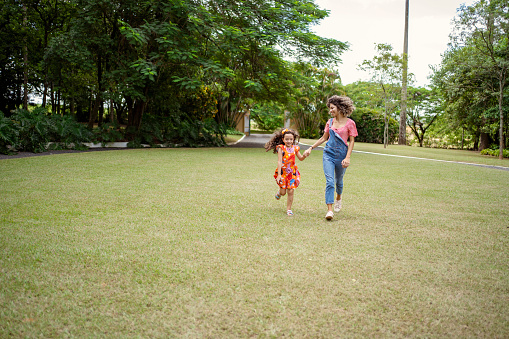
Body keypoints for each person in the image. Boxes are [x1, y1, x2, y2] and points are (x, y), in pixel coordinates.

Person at [303, 95, 357, 220]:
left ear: (339, 107)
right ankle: (329, 210)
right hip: (328, 154)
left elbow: (352, 141)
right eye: (330, 108)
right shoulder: (330, 122)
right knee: (330, 181)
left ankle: (338, 197)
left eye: (332, 108)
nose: (330, 111)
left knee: (339, 181)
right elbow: (324, 138)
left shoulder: (350, 123)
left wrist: (348, 157)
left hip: (342, 155)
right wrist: (311, 148)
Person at [265, 128, 307, 216]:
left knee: (291, 191)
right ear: (283, 139)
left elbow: (301, 158)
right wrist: (279, 175)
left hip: (292, 174)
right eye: (287, 139)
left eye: (291, 139)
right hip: (283, 173)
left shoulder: (295, 148)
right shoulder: (281, 148)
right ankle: (279, 193)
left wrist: (305, 155)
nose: (289, 141)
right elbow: (279, 161)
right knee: (283, 192)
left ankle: (289, 209)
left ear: (293, 140)